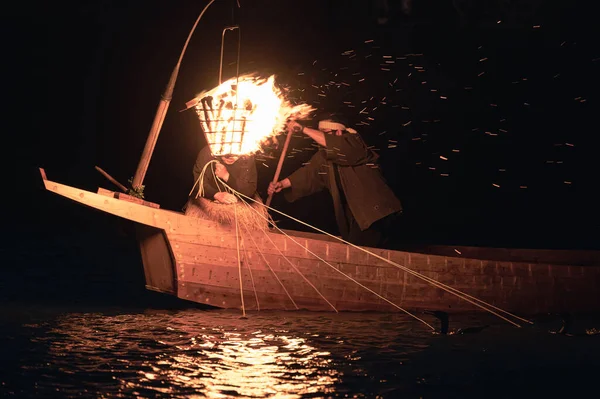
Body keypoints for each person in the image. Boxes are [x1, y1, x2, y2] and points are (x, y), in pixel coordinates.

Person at [267, 113, 403, 248]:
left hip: (376, 212)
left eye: (325, 133)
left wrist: (303, 129)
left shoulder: (353, 143)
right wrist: (282, 184)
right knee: (353, 249)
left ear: (338, 132)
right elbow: (308, 174)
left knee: (358, 252)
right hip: (356, 216)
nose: (320, 138)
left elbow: (339, 148)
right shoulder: (324, 157)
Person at [191, 145, 257, 204]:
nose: (231, 157)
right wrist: (216, 194)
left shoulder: (247, 156)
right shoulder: (208, 152)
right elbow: (198, 182)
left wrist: (226, 176)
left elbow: (250, 190)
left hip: (237, 204)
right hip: (209, 201)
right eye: (227, 153)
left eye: (236, 154)